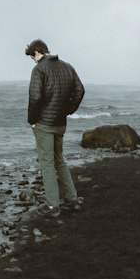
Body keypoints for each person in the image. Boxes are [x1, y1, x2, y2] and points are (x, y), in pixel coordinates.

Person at [24, 39, 85, 214]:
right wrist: (68, 110)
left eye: (32, 57)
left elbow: (35, 97)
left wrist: (32, 120)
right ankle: (72, 199)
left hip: (44, 124)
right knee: (59, 160)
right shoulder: (67, 67)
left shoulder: (39, 69)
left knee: (47, 164)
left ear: (37, 52)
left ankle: (52, 205)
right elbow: (80, 90)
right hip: (60, 123)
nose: (33, 60)